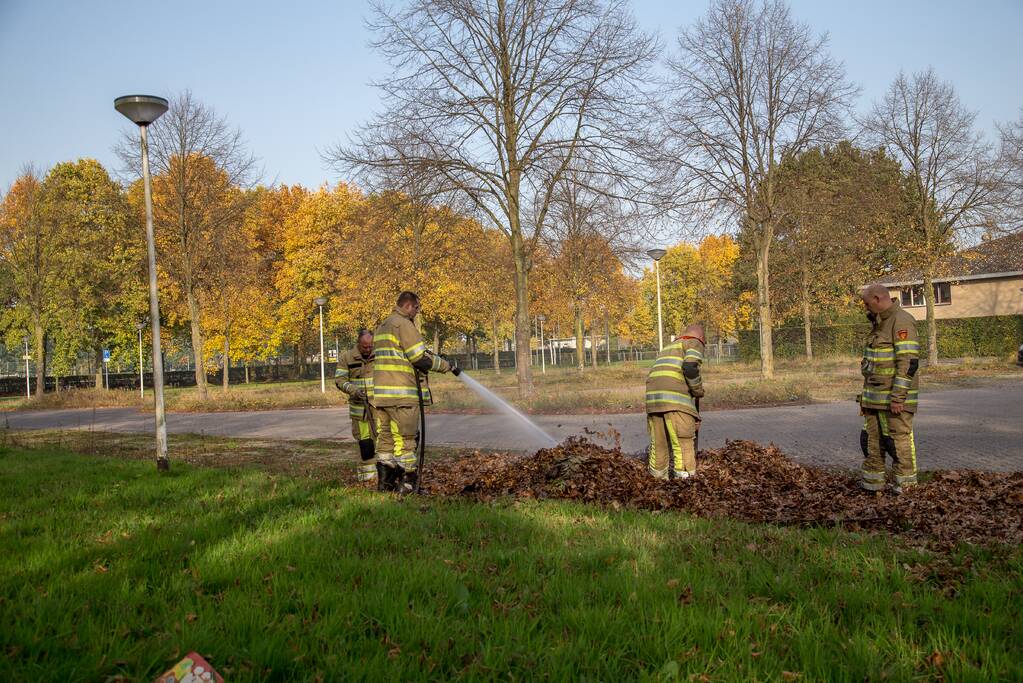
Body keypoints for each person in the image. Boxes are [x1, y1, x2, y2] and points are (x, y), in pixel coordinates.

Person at [372, 291, 460, 492]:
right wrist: (447, 366)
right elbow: (419, 357)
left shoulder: (383, 325)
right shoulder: (404, 324)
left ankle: (385, 485)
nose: (418, 312)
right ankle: (408, 485)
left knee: (385, 440)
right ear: (408, 306)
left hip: (382, 396)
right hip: (402, 394)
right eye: (417, 308)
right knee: (407, 440)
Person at [858, 283, 920, 493]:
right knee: (871, 441)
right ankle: (873, 485)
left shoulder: (901, 321)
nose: (866, 308)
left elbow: (908, 362)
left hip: (894, 401)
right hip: (874, 400)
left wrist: (898, 397)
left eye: (867, 303)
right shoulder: (879, 323)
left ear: (877, 299)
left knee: (898, 442)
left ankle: (906, 487)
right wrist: (865, 400)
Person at [645, 323, 705, 480]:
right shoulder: (693, 342)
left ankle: (657, 480)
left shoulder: (668, 347)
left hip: (653, 400)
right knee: (683, 441)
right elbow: (690, 367)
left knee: (659, 443)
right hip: (674, 400)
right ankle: (685, 481)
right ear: (701, 337)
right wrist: (697, 390)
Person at [335, 329, 377, 484]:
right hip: (360, 412)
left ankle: (384, 478)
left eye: (370, 346)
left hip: (379, 409)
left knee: (384, 443)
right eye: (365, 346)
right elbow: (340, 380)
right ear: (358, 343)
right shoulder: (347, 357)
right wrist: (353, 389)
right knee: (366, 445)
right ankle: (367, 479)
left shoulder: (380, 356)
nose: (368, 349)